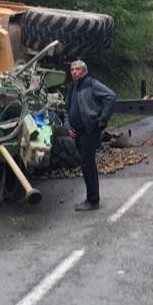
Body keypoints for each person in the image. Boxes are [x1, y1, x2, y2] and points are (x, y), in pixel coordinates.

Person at [64, 60, 116, 212]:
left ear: (84, 71)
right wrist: (68, 127)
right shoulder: (72, 88)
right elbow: (66, 111)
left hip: (89, 131)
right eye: (72, 69)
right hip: (77, 132)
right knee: (87, 165)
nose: (74, 72)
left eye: (77, 69)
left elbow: (111, 97)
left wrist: (102, 120)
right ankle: (92, 199)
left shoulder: (91, 84)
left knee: (87, 165)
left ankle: (92, 201)